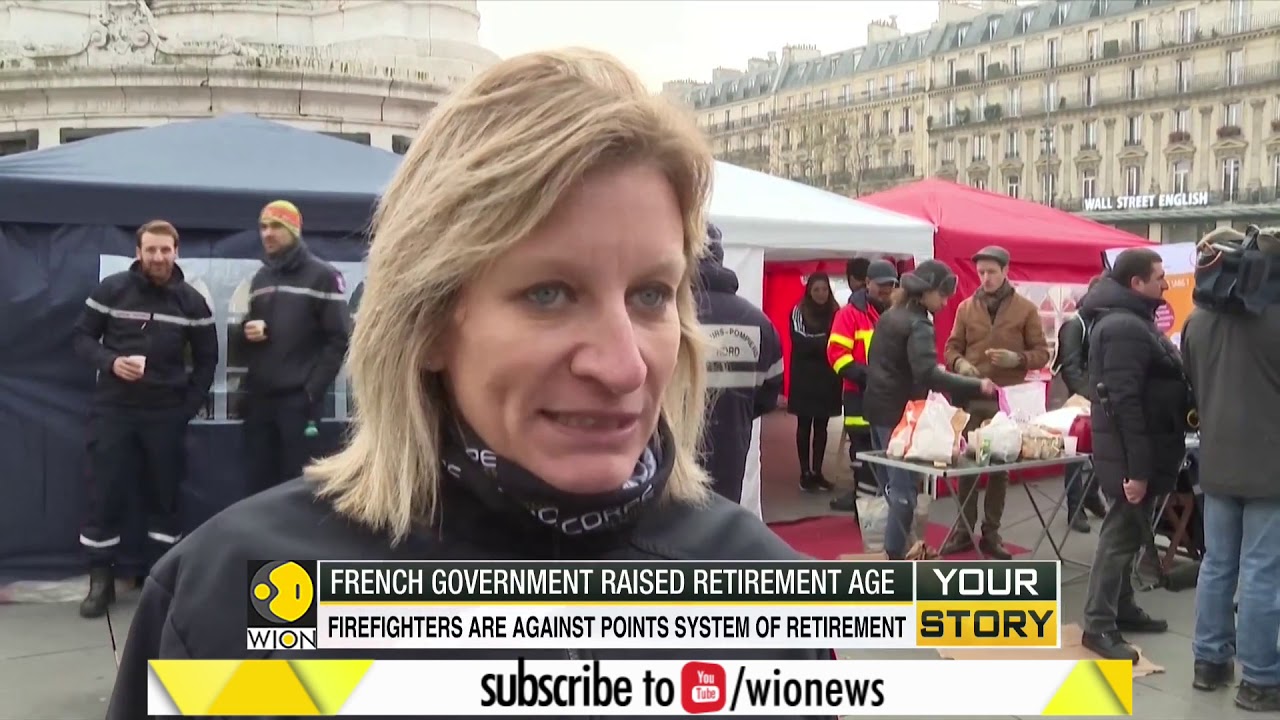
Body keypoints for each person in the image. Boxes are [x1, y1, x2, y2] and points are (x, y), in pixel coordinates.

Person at [106, 49, 829, 717]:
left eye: (650, 296)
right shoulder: (230, 597)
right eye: (549, 293)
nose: (623, 366)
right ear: (426, 324)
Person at [71, 220, 217, 619]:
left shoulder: (192, 302)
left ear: (176, 251)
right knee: (105, 490)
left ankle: (162, 580)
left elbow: (208, 360)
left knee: (165, 497)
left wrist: (187, 407)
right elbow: (82, 337)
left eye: (165, 250)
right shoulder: (112, 290)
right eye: (150, 250)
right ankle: (101, 582)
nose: (157, 257)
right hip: (114, 409)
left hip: (165, 414)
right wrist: (111, 361)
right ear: (138, 252)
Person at [1182, 226, 1280, 711]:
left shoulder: (1198, 321)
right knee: (1262, 572)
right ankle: (1260, 678)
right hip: (1271, 467)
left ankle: (1209, 662)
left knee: (1218, 565)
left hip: (1217, 460)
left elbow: (1195, 387)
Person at [1078, 247, 1186, 662]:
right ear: (1136, 283)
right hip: (1131, 455)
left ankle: (1120, 608)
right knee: (1119, 537)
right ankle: (1098, 625)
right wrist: (1137, 471)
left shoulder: (1132, 320)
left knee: (1126, 534)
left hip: (1143, 449)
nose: (1165, 283)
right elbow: (1124, 405)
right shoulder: (1124, 327)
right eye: (1159, 276)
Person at [863, 260, 997, 559]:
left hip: (876, 409)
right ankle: (896, 556)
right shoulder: (919, 323)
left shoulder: (890, 316)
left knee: (890, 488)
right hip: (901, 415)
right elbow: (927, 374)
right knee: (904, 493)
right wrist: (976, 385)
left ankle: (903, 548)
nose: (946, 301)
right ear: (926, 292)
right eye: (943, 294)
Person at [942, 246, 1049, 559]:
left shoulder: (1025, 309)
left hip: (1006, 401)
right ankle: (964, 529)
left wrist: (1018, 358)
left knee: (1000, 468)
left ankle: (992, 533)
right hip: (972, 398)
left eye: (991, 271)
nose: (985, 278)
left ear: (1005, 271)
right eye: (981, 272)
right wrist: (960, 365)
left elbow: (1042, 353)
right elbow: (951, 349)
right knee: (968, 467)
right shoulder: (965, 307)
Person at [239, 200, 351, 494]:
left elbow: (339, 339)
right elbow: (256, 329)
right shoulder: (261, 277)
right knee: (258, 489)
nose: (267, 234)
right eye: (263, 227)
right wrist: (247, 330)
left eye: (276, 226)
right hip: (261, 403)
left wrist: (311, 390)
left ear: (294, 230)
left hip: (298, 404)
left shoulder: (323, 275)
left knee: (295, 490)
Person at [695, 222, 785, 503]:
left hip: (673, 452)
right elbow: (769, 393)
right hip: (731, 448)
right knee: (722, 525)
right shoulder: (759, 322)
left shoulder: (665, 315)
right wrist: (736, 410)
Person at [827, 260, 899, 508]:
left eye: (891, 285)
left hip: (890, 399)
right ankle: (866, 512)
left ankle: (882, 510)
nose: (887, 290)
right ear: (867, 283)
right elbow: (837, 355)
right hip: (859, 397)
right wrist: (870, 376)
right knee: (863, 455)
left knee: (889, 456)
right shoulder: (848, 315)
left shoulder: (897, 314)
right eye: (882, 285)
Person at [1052, 275, 1108, 532]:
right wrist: (1091, 395)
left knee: (1103, 451)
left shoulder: (1103, 321)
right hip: (1076, 399)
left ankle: (1091, 495)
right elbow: (1071, 369)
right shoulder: (1075, 325)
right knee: (1075, 454)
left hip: (1098, 395)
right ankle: (1076, 509)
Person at [787, 272, 842, 491]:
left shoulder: (836, 312)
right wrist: (826, 342)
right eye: (817, 289)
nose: (821, 294)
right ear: (809, 290)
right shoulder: (799, 311)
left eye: (824, 289)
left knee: (822, 426)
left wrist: (823, 343)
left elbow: (839, 339)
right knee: (804, 425)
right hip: (805, 377)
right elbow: (800, 340)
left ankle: (818, 472)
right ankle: (804, 472)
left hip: (828, 377)